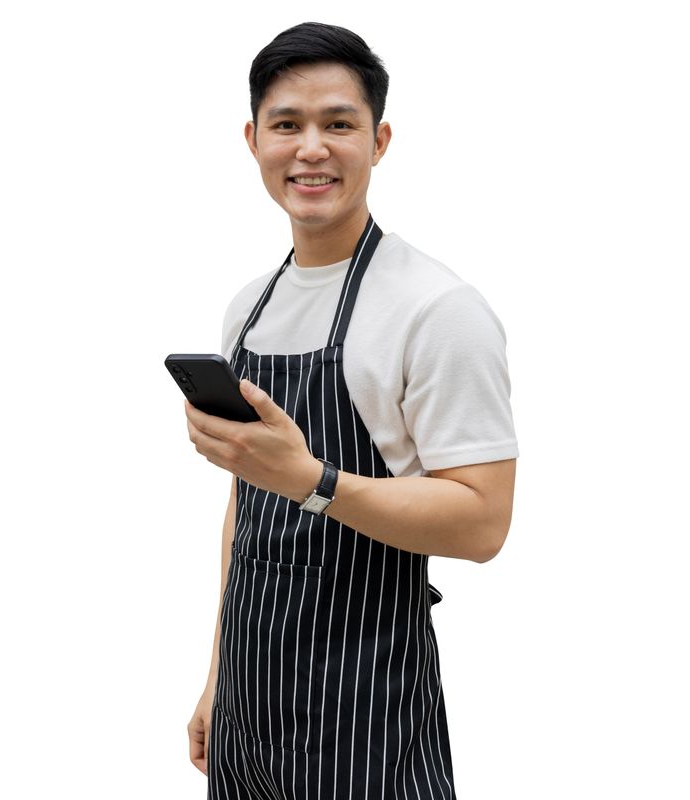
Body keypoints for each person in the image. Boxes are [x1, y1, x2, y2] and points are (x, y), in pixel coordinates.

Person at [184, 21, 519, 800]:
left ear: (379, 141)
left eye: (339, 124)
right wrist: (218, 678)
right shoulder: (249, 311)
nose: (311, 148)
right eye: (287, 125)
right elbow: (246, 504)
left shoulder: (437, 309)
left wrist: (312, 478)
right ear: (253, 139)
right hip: (248, 720)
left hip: (364, 720)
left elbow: (483, 524)